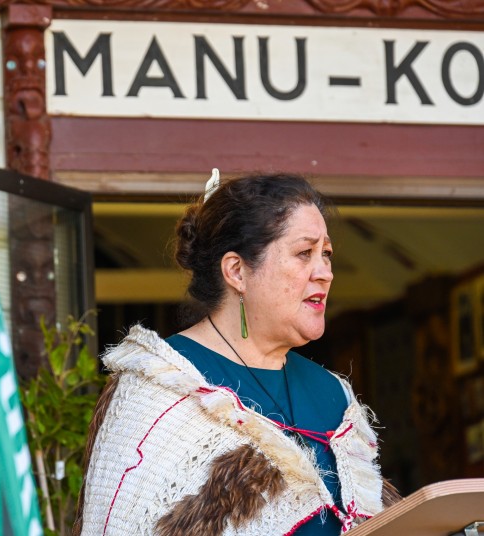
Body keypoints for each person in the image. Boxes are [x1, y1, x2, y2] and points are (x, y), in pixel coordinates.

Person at [74, 172, 400, 536]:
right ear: (237, 271)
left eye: (326, 254)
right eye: (304, 253)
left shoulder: (332, 394)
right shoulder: (155, 392)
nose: (325, 272)